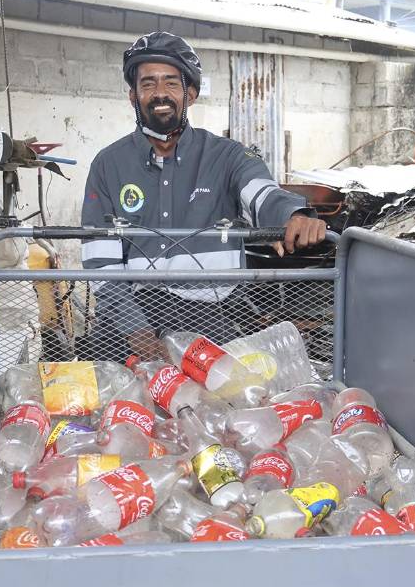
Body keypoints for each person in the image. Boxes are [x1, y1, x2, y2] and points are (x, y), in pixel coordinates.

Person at [80, 31, 327, 360]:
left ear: (191, 94)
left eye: (171, 83)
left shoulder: (227, 156)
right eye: (148, 84)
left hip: (209, 317)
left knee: (223, 403)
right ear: (133, 95)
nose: (159, 94)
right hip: (128, 319)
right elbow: (100, 261)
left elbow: (261, 192)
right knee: (106, 405)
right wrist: (135, 331)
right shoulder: (108, 165)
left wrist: (295, 215)